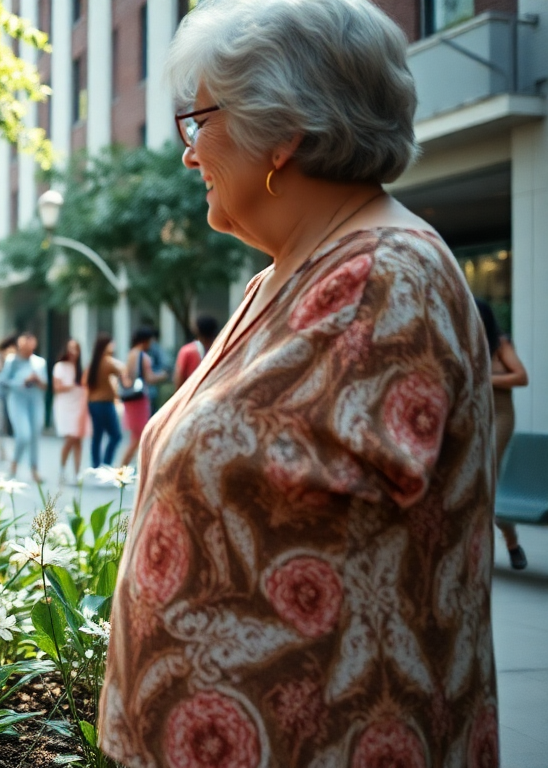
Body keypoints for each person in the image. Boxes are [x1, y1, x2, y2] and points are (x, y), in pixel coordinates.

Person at [97, 1, 499, 764]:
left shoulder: (383, 278)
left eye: (199, 122)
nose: (188, 155)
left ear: (282, 130)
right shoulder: (283, 277)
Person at [475, 299, 529, 569]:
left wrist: (485, 378)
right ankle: (484, 549)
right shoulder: (466, 343)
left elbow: (521, 377)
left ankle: (511, 543)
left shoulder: (501, 344)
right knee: (474, 484)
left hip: (500, 418)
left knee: (489, 483)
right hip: (475, 419)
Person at [117, 327, 165, 467]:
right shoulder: (142, 356)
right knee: (139, 437)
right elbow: (149, 378)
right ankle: (123, 469)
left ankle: (126, 467)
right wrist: (163, 375)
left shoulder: (131, 353)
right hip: (139, 399)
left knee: (137, 436)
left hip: (130, 399)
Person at [3, 332, 47, 484]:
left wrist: (37, 380)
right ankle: (14, 464)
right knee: (23, 435)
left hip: (36, 402)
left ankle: (34, 469)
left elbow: (45, 385)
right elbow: (4, 381)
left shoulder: (39, 362)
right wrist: (22, 381)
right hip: (17, 401)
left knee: (34, 435)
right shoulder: (12, 361)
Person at [84, 334, 125, 469]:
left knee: (97, 436)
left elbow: (85, 381)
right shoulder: (107, 362)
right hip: (104, 403)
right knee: (115, 435)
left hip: (93, 403)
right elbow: (123, 370)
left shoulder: (94, 363)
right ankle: (106, 465)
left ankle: (96, 466)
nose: (113, 346)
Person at [52, 338, 87, 483]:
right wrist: (71, 386)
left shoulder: (80, 368)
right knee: (70, 438)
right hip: (65, 406)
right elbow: (57, 387)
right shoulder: (60, 366)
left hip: (79, 406)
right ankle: (62, 469)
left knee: (78, 439)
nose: (73, 352)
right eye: (70, 348)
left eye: (76, 349)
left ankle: (77, 473)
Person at [173, 314, 220, 389]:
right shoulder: (219, 350)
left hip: (192, 392)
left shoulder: (187, 351)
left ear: (197, 330)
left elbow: (179, 378)